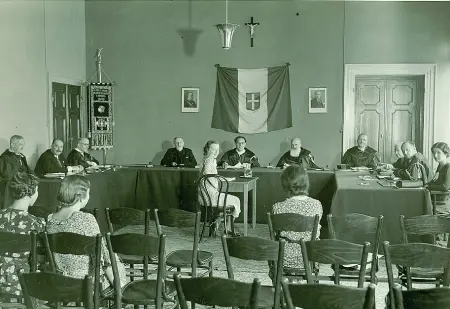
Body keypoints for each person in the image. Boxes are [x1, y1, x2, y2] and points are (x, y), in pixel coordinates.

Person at [46, 175, 127, 293]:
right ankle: (118, 291)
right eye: (89, 193)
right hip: (88, 281)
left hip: (61, 279)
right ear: (80, 197)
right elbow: (101, 256)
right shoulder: (86, 219)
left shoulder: (50, 219)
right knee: (111, 257)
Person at [269, 165, 323, 280]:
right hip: (309, 258)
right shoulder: (317, 205)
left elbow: (275, 236)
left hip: (284, 258)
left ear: (284, 184)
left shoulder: (278, 208)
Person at [0, 172, 45, 303]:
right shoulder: (36, 223)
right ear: (30, 192)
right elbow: (41, 258)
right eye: (37, 190)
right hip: (23, 285)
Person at [199, 140, 241, 235]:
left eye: (217, 149)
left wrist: (224, 179)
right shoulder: (210, 160)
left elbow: (211, 176)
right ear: (207, 149)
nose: (216, 151)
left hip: (204, 196)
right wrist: (220, 181)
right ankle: (226, 227)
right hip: (210, 196)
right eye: (213, 149)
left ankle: (218, 220)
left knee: (230, 202)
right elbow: (208, 175)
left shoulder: (206, 159)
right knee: (236, 200)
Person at [0, 135, 33, 208]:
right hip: (10, 192)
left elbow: (28, 171)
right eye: (20, 145)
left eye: (23, 145)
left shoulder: (21, 157)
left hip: (22, 190)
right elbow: (8, 176)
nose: (23, 147)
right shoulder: (5, 158)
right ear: (13, 145)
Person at [425, 142, 450, 216]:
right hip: (435, 200)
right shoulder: (439, 167)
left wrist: (429, 187)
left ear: (446, 153)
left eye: (438, 153)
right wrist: (427, 184)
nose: (435, 155)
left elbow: (445, 187)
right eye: (434, 153)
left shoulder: (448, 168)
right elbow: (434, 182)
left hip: (442, 204)